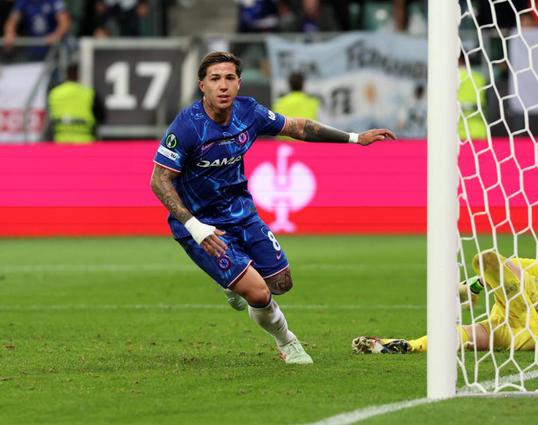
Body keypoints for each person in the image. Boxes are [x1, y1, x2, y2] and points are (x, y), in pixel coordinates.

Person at [150, 51, 396, 365]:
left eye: (229, 78)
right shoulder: (187, 126)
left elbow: (298, 127)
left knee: (281, 283)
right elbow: (159, 180)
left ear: (239, 83)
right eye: (215, 79)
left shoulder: (248, 112)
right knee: (258, 293)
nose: (223, 85)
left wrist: (355, 138)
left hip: (241, 213)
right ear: (202, 86)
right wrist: (194, 226)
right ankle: (287, 342)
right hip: (202, 226)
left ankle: (233, 282)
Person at [353, 251, 538, 356]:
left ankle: (473, 286)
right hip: (525, 334)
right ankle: (409, 345)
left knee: (496, 264)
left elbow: (513, 264)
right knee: (466, 334)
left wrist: (479, 283)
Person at [3, 0, 71, 59]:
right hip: (32, 46)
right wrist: (10, 32)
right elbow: (13, 20)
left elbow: (64, 22)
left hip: (52, 47)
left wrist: (56, 35)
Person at [46, 63, 105, 143]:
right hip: (85, 142)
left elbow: (50, 117)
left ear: (66, 75)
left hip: (60, 142)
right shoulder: (89, 93)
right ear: (79, 75)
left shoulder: (54, 93)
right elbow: (101, 117)